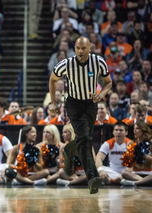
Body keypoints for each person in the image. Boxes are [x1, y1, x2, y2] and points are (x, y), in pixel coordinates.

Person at [49, 37, 112, 194]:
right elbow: (53, 79)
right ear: (74, 49)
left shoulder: (98, 62)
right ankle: (92, 178)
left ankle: (70, 152)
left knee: (86, 139)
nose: (80, 51)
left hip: (91, 103)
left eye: (84, 48)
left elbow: (108, 82)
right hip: (74, 104)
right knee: (85, 138)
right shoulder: (67, 64)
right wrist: (53, 103)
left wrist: (100, 95)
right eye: (78, 48)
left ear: (90, 49)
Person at [121, 121, 152, 186]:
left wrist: (144, 156)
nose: (134, 131)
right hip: (135, 174)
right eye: (134, 129)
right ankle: (145, 182)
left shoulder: (150, 143)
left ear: (143, 130)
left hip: (149, 173)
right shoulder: (131, 144)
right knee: (124, 172)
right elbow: (129, 164)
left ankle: (134, 183)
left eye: (137, 129)